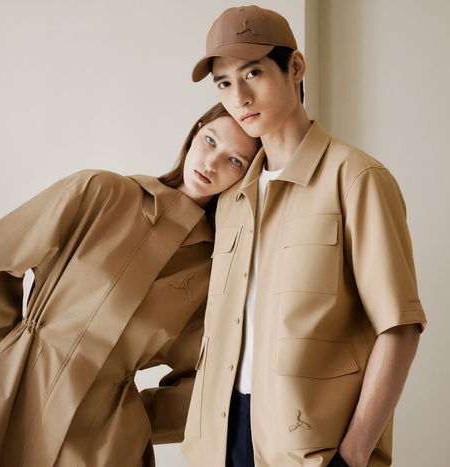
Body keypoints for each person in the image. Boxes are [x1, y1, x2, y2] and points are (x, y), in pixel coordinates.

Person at [181, 6, 426, 467]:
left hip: (311, 450)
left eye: (252, 73)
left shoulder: (356, 179)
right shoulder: (233, 198)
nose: (240, 97)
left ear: (295, 67)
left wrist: (352, 454)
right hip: (218, 443)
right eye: (224, 83)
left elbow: (400, 327)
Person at [0, 102, 259, 467]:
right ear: (196, 131)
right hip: (7, 400)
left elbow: (204, 380)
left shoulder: (212, 268)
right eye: (211, 140)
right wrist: (18, 345)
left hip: (101, 446)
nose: (211, 163)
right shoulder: (99, 191)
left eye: (235, 160)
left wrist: (133, 422)